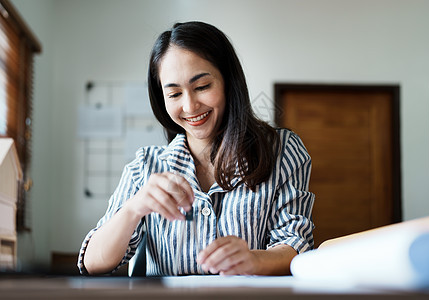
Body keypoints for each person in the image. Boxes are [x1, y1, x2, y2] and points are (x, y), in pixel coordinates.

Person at [78, 21, 314, 276]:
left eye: (202, 87)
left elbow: (295, 245)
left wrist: (253, 260)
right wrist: (134, 208)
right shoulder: (146, 166)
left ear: (228, 81)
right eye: (174, 94)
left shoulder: (282, 150)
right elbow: (93, 264)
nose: (190, 107)